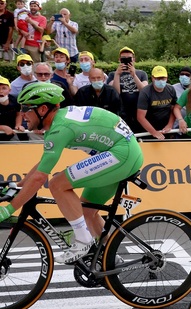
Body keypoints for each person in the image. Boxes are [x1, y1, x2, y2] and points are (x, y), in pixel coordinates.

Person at [0, 82, 143, 264]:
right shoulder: (57, 123)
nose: (22, 114)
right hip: (123, 152)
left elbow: (40, 178)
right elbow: (43, 165)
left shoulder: (60, 128)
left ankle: (83, 241)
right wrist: (18, 186)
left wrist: (9, 208)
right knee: (86, 212)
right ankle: (110, 259)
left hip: (122, 154)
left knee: (57, 184)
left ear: (43, 109)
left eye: (26, 108)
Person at [107, 46, 148, 134]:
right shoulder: (112, 74)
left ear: (134, 59)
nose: (126, 61)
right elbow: (115, 92)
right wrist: (117, 75)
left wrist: (134, 75)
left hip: (138, 109)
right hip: (122, 111)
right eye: (123, 59)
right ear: (119, 60)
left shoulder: (142, 73)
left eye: (129, 58)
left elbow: (144, 91)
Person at [137, 65, 177, 140]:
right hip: (148, 130)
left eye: (163, 78)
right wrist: (154, 132)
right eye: (158, 78)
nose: (161, 80)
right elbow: (140, 117)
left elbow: (174, 109)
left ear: (167, 78)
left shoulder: (171, 89)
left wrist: (170, 124)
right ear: (152, 78)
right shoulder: (145, 92)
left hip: (166, 129)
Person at [0, 75, 25, 141]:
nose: (1, 91)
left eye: (4, 88)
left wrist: (18, 125)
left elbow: (18, 114)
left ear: (9, 90)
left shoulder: (15, 100)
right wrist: (2, 128)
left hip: (12, 133)